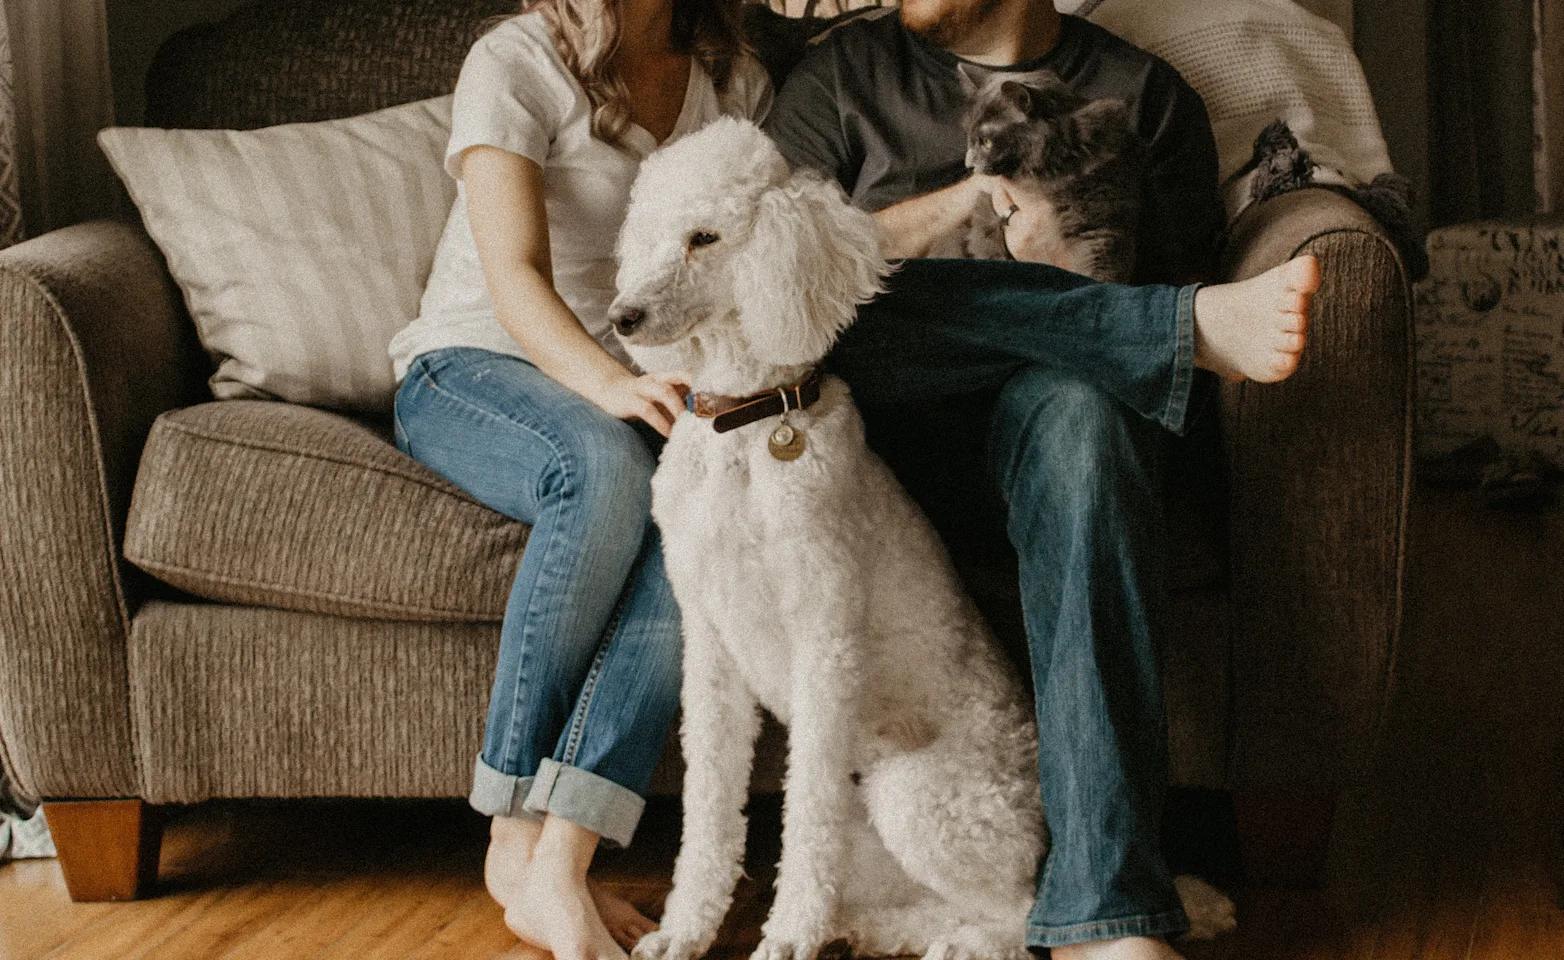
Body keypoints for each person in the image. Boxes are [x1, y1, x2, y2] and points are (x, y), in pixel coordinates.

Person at [761, 1, 1321, 958]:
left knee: (1092, 414)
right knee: (829, 309)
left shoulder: (1140, 98)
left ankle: (1104, 914)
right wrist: (964, 205)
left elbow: (1167, 351)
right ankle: (1157, 332)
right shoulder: (842, 77)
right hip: (879, 441)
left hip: (1051, 435)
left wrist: (1064, 271)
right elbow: (770, 279)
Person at [386, 2, 771, 959]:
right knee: (600, 470)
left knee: (706, 525)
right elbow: (513, 274)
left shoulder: (735, 78)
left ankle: (563, 858)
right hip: (474, 366)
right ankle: (512, 838)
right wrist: (612, 384)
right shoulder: (513, 60)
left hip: (646, 375)